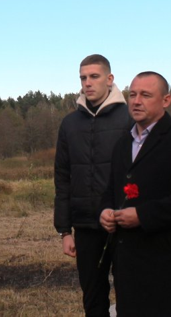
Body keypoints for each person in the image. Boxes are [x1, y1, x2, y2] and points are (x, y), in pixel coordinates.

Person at [100, 71, 171, 317]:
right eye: (132, 94)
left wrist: (143, 215)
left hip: (169, 266)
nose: (136, 101)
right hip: (129, 269)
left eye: (145, 95)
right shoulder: (122, 144)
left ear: (166, 100)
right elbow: (112, 190)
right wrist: (106, 211)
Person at [53, 54, 133, 316]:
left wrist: (133, 211)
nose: (87, 83)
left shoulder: (130, 117)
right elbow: (63, 177)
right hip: (86, 224)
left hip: (124, 223)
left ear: (110, 79)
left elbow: (143, 171)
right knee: (93, 297)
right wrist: (65, 231)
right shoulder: (70, 124)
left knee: (131, 293)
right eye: (83, 78)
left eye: (94, 76)